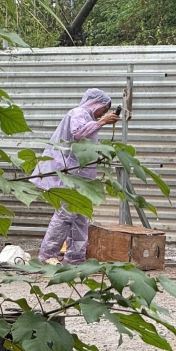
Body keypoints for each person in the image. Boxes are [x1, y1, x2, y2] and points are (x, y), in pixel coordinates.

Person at [34, 88, 120, 264]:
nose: (102, 113)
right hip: (71, 174)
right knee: (65, 214)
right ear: (96, 103)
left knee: (80, 217)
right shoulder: (78, 113)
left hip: (82, 176)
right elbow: (78, 133)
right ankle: (47, 255)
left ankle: (75, 257)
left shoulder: (89, 118)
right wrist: (102, 122)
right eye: (103, 109)